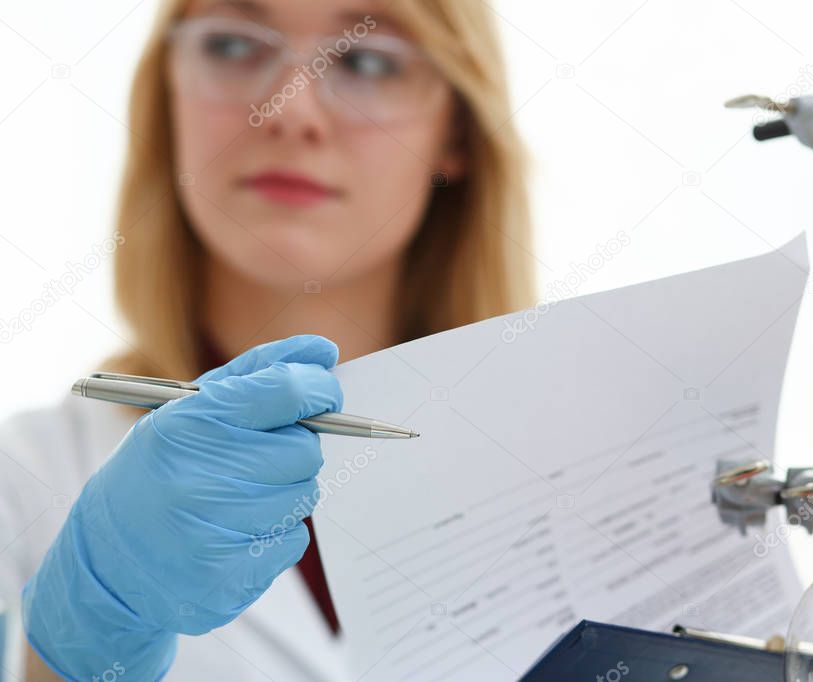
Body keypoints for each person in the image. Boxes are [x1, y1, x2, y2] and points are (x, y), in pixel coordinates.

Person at [0, 0, 535, 679]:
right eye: (231, 47)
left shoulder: (571, 464)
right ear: (168, 98)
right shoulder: (23, 480)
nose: (290, 112)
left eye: (366, 60)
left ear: (455, 132)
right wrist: (94, 624)